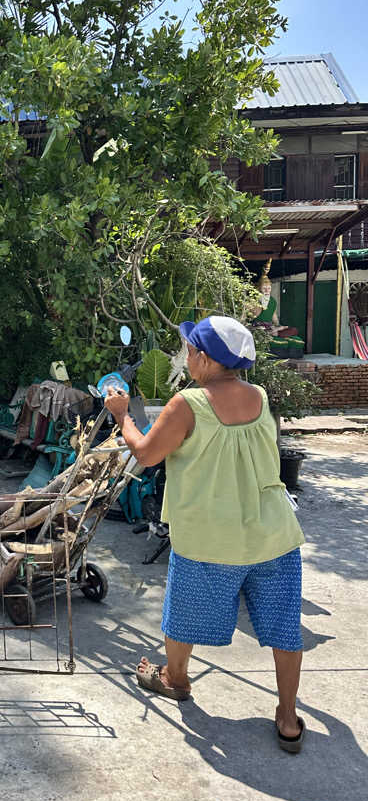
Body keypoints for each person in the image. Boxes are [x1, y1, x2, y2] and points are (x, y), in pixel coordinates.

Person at [104, 316, 306, 753]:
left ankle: (175, 679)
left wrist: (122, 416)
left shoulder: (187, 403)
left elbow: (146, 453)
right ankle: (288, 717)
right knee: (284, 629)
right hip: (274, 534)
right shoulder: (259, 395)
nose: (186, 357)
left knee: (183, 615)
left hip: (210, 540)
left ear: (205, 357)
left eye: (190, 350)